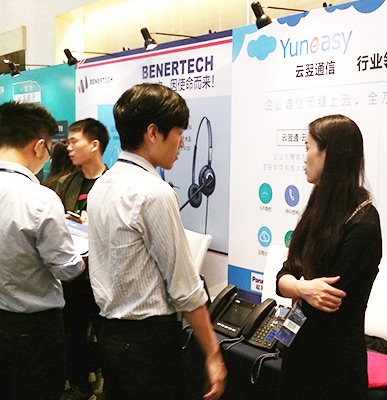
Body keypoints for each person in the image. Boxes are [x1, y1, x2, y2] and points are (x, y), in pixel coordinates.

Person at [87, 83, 226, 400]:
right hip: (148, 344)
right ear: (153, 132)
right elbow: (184, 288)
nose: (182, 144)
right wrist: (213, 352)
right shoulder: (154, 193)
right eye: (178, 133)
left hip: (111, 334)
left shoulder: (103, 184)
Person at [276, 114, 382, 400]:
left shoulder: (363, 223)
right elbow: (283, 277)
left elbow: (325, 300)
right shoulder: (319, 205)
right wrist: (301, 288)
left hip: (334, 368)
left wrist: (298, 287)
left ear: (329, 154)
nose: (304, 158)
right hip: (300, 354)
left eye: (308, 148)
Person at [0, 101, 85, 400]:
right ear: (39, 147)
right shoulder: (40, 198)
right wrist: (82, 260)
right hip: (32, 330)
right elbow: (67, 269)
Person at [52, 118, 109, 400]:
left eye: (75, 141)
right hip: (72, 274)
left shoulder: (112, 185)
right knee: (72, 334)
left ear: (95, 145)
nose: (68, 148)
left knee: (106, 337)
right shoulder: (66, 183)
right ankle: (78, 387)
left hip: (104, 276)